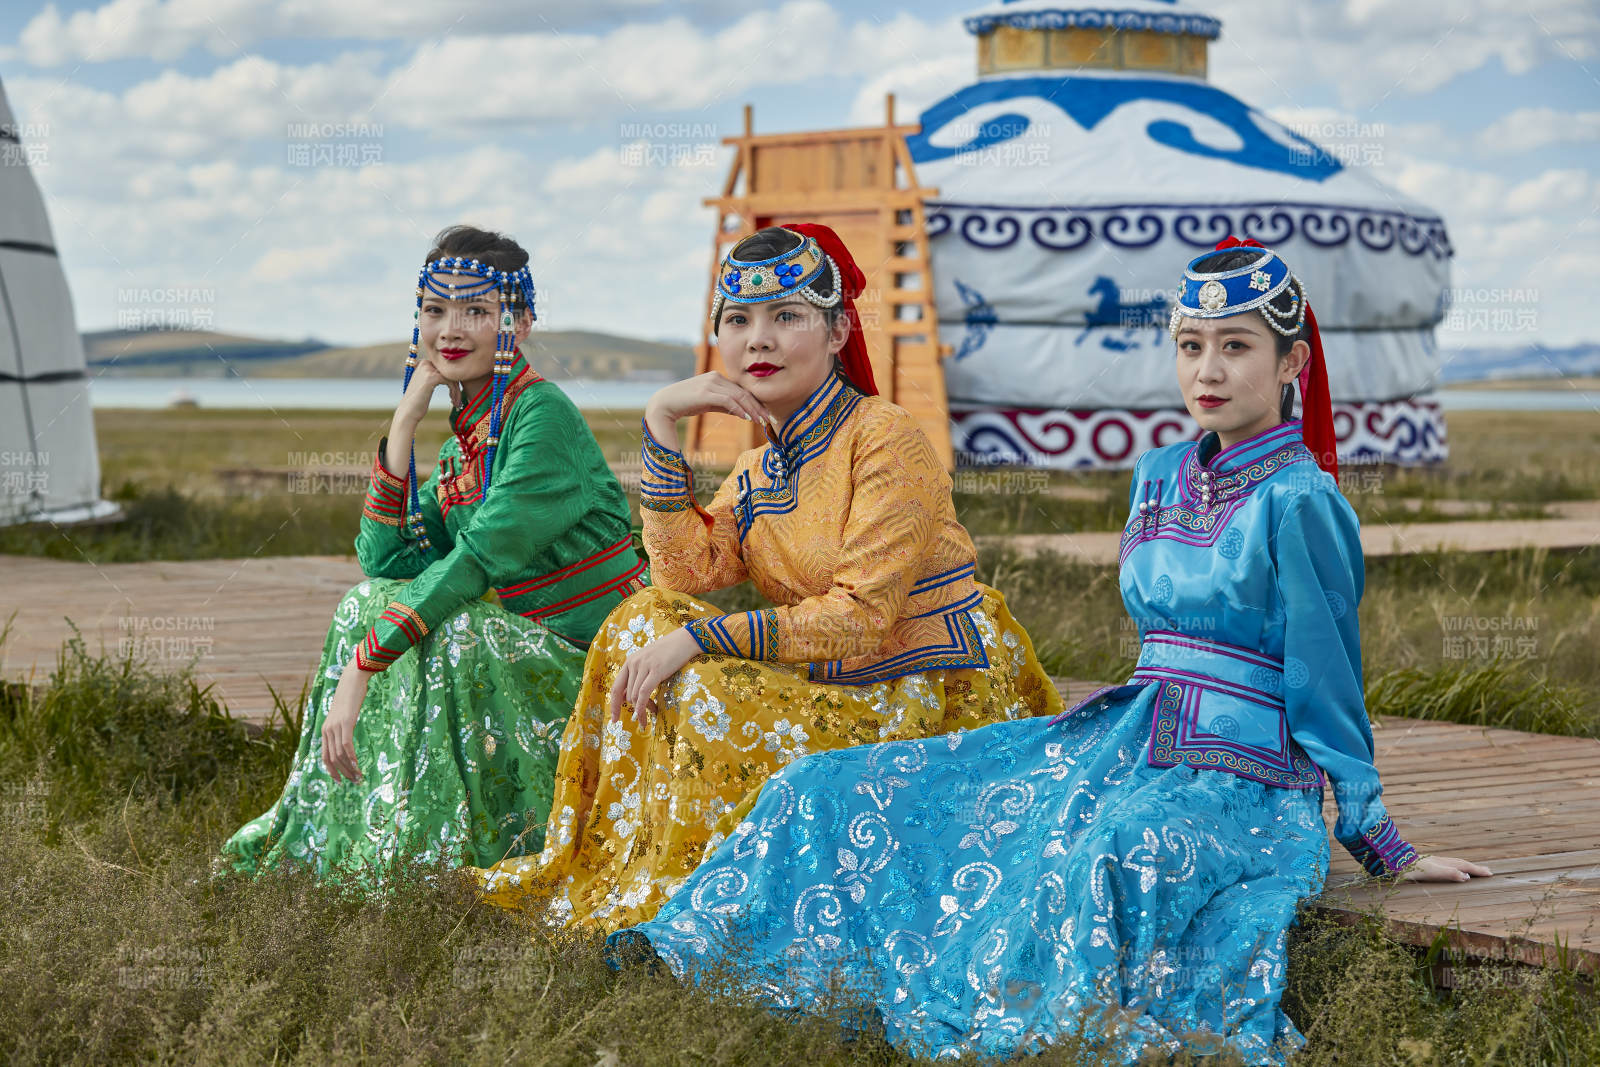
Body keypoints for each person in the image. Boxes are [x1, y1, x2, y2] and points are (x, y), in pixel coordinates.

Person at [606, 238, 1490, 1064]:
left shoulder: (1302, 501)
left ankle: (1036, 1016)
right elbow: (690, 568)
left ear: (1292, 362)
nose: (1208, 371)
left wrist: (1377, 836)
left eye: (1237, 347)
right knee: (843, 783)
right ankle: (696, 950)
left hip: (1244, 774)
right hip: (1127, 735)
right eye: (1190, 347)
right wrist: (658, 426)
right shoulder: (1158, 475)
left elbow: (1326, 672)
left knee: (1113, 848)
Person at [473, 223, 1064, 931]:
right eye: (739, 320)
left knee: (700, 677)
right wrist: (661, 421)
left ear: (839, 329)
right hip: (833, 681)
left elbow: (861, 618)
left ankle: (690, 902)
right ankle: (616, 865)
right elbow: (683, 571)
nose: (759, 340)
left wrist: (701, 641)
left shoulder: (883, 436)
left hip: (921, 695)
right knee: (640, 618)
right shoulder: (763, 471)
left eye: (787, 316)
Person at [219, 225, 646, 885]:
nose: (451, 328)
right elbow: (385, 559)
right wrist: (403, 424)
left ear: (521, 322)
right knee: (365, 601)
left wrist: (366, 662)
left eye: (477, 310)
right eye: (435, 310)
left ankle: (434, 861)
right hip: (522, 651)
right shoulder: (464, 444)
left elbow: (475, 561)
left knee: (453, 630)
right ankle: (352, 840)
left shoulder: (542, 419)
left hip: (595, 670)